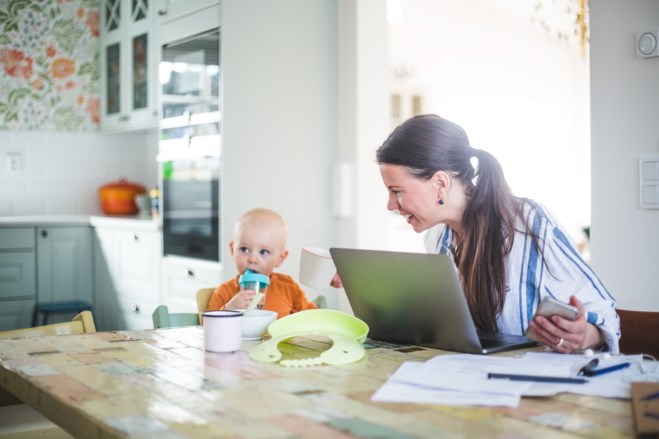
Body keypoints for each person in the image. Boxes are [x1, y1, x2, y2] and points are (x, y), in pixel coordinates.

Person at [337, 114, 619, 354]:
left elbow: (607, 314)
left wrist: (586, 334)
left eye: (397, 192)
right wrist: (371, 288)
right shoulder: (437, 237)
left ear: (440, 183)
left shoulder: (529, 223)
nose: (390, 205)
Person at [207, 208, 318, 318]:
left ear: (280, 258)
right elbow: (206, 327)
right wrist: (228, 310)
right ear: (232, 250)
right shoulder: (224, 292)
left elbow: (314, 318)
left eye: (264, 252)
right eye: (244, 249)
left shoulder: (288, 288)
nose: (252, 259)